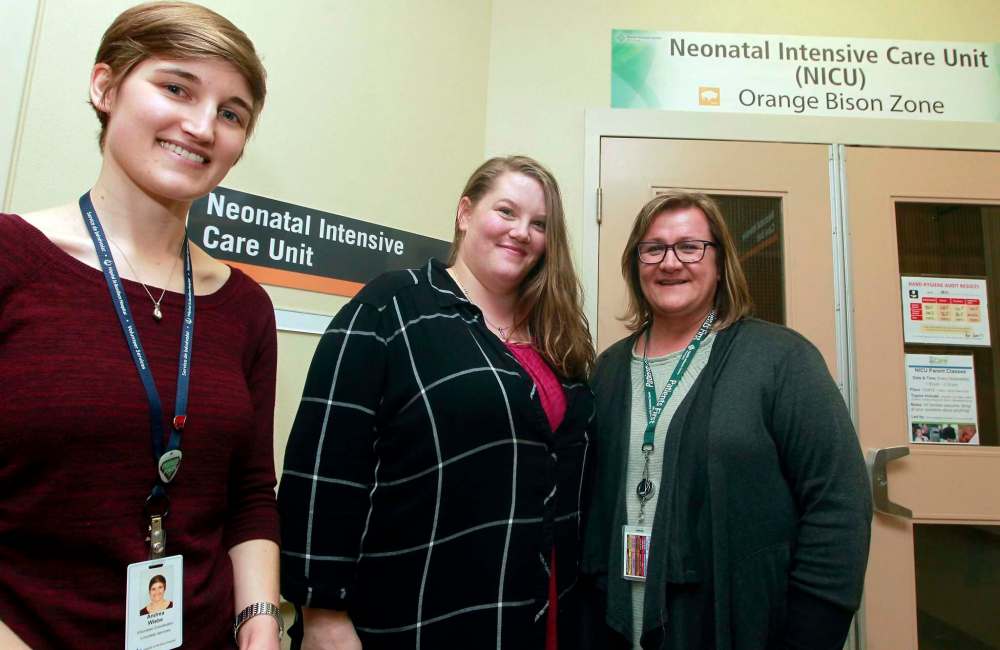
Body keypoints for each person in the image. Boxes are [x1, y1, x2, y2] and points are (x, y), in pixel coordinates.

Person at [0, 3, 281, 648]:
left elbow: (250, 495)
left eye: (232, 113)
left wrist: (259, 625)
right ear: (105, 86)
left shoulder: (243, 306)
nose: (203, 125)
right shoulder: (14, 260)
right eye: (177, 87)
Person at [279, 156, 596, 649]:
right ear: (465, 212)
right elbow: (325, 468)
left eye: (539, 224)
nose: (522, 232)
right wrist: (322, 613)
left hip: (546, 606)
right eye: (507, 211)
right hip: (427, 608)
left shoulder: (558, 334)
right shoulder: (392, 308)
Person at [582, 191, 872, 650]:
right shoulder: (609, 370)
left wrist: (813, 632)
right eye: (653, 248)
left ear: (720, 262)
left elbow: (839, 502)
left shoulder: (781, 360)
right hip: (616, 624)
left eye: (690, 246)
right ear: (636, 264)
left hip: (740, 628)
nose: (670, 262)